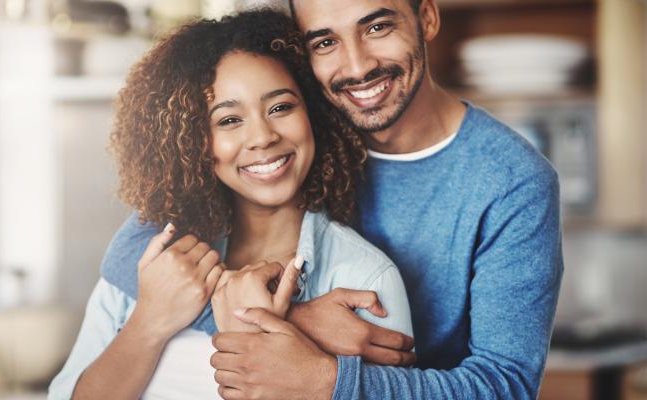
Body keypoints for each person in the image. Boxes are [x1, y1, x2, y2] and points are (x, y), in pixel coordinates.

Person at [101, 0, 564, 399]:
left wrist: (325, 379)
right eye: (324, 42)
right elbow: (133, 254)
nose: (358, 66)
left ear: (426, 17)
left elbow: (506, 387)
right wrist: (292, 320)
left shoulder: (511, 181)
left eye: (377, 26)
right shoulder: (305, 139)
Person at [48, 10, 413, 400]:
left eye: (280, 108)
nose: (261, 137)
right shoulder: (154, 261)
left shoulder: (364, 281)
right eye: (228, 120)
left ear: (315, 115)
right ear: (192, 141)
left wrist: (261, 330)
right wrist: (148, 322)